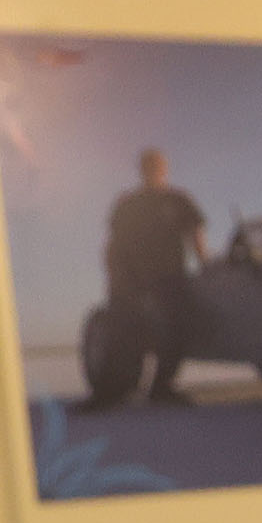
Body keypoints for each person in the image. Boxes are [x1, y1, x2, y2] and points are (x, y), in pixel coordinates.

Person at [94, 146, 206, 407]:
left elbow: (195, 231)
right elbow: (113, 243)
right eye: (149, 166)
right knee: (127, 333)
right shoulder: (128, 204)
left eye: (158, 166)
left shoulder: (178, 200)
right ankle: (117, 389)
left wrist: (205, 262)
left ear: (164, 169)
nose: (154, 171)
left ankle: (161, 387)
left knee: (176, 329)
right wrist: (113, 277)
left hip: (169, 278)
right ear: (142, 170)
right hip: (130, 281)